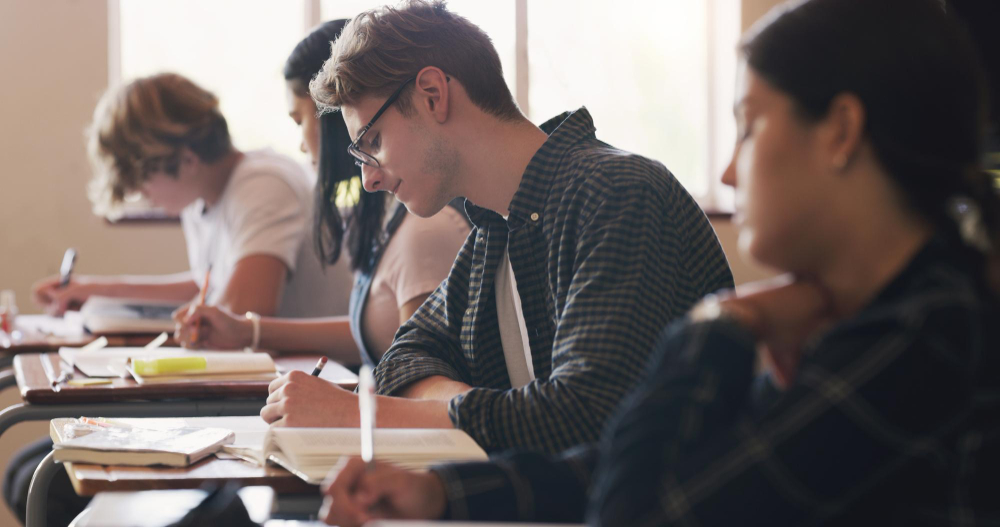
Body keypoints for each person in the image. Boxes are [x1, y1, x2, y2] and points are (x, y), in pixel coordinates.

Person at [317, 0, 1000, 524]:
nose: (729, 171)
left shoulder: (926, 336)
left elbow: (633, 502)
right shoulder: (865, 317)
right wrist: (438, 490)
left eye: (750, 124)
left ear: (842, 132)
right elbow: (658, 463)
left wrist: (720, 323)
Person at [260, 0, 734, 455]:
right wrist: (480, 410)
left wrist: (362, 415)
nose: (369, 178)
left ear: (432, 95)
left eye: (373, 142)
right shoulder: (493, 232)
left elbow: (584, 417)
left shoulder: (617, 194)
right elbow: (402, 361)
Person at [174, 20, 472, 367]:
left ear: (335, 117)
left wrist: (333, 407)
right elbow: (375, 334)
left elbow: (414, 376)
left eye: (300, 120)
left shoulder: (422, 228)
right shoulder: (383, 220)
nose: (301, 145)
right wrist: (248, 331)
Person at [32, 73, 351, 321]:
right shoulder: (204, 196)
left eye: (143, 178)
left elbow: (241, 315)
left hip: (329, 375)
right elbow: (208, 287)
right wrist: (91, 290)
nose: (141, 194)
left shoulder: (262, 185)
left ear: (187, 160)